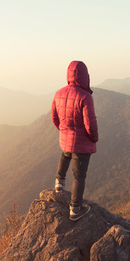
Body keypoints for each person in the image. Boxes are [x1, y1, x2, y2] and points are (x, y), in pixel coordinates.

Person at [51, 60, 98, 221]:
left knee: (65, 154)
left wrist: (63, 130)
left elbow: (54, 117)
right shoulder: (85, 97)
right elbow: (90, 124)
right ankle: (75, 210)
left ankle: (59, 183)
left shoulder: (59, 93)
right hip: (81, 143)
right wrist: (94, 138)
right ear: (85, 77)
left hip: (66, 137)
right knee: (79, 176)